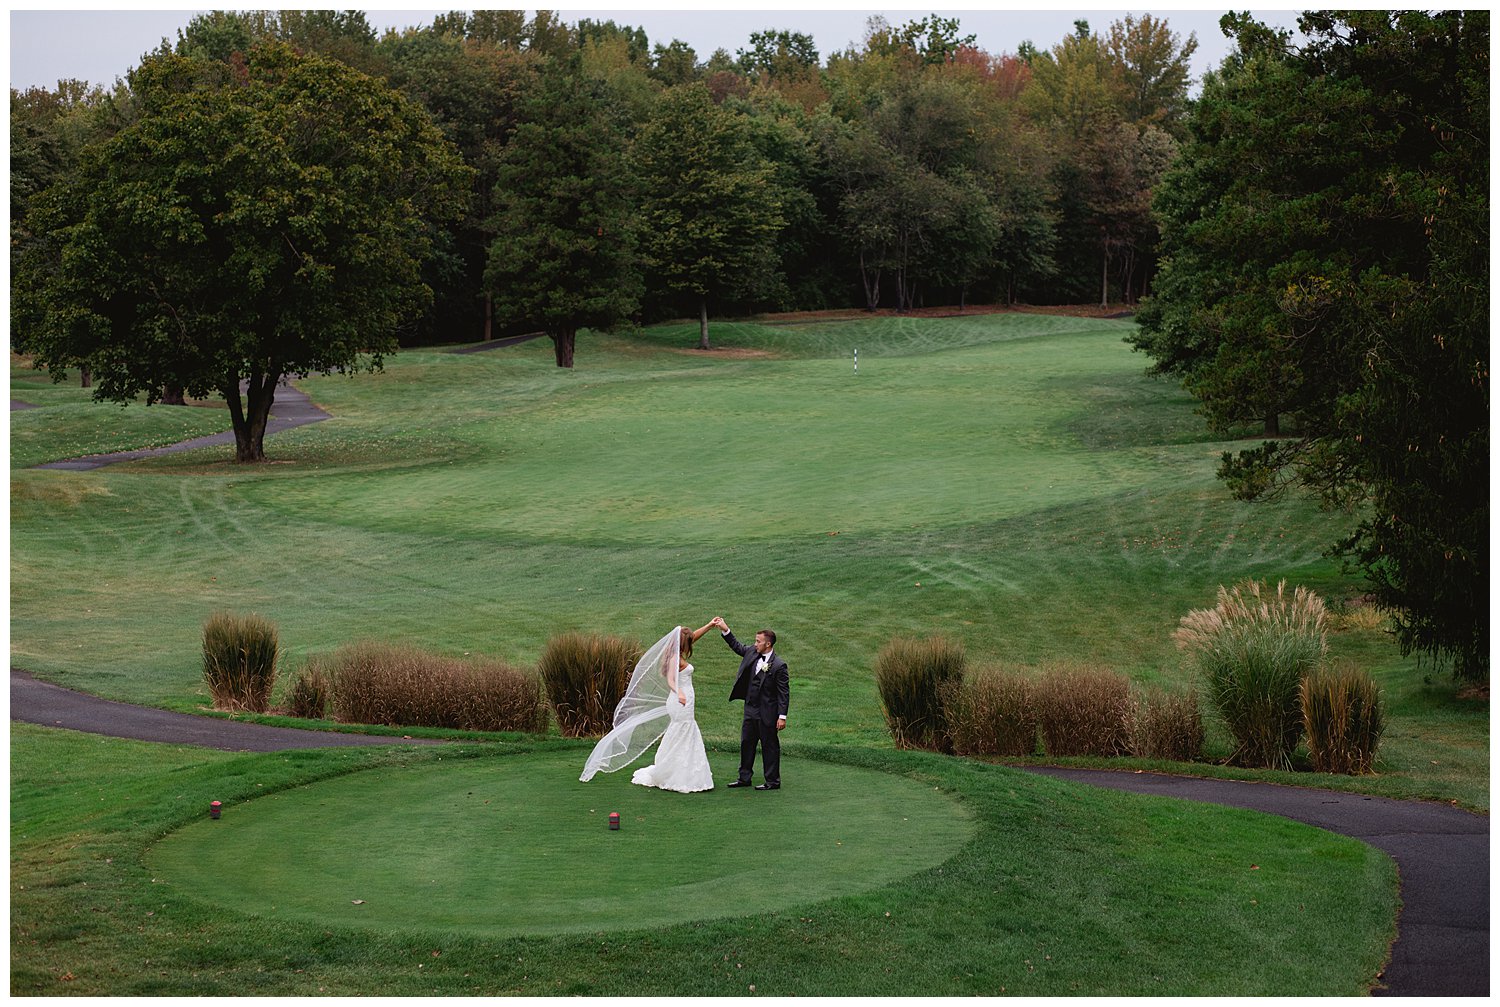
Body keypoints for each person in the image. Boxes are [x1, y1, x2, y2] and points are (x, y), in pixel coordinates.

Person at [579, 623, 716, 793]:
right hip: (680, 701)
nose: (691, 644)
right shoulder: (674, 658)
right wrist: (679, 692)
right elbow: (671, 680)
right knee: (683, 729)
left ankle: (683, 769)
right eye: (689, 642)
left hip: (685, 700)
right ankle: (674, 771)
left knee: (684, 730)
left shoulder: (677, 652)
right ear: (682, 644)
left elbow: (693, 636)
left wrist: (710, 625)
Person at [711, 616, 788, 790]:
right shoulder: (752, 653)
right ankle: (744, 778)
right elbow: (736, 646)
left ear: (768, 644)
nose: (755, 644)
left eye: (758, 641)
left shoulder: (779, 665)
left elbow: (784, 693)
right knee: (747, 743)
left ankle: (772, 781)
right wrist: (725, 628)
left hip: (767, 713)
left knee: (769, 746)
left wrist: (782, 716)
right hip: (750, 710)